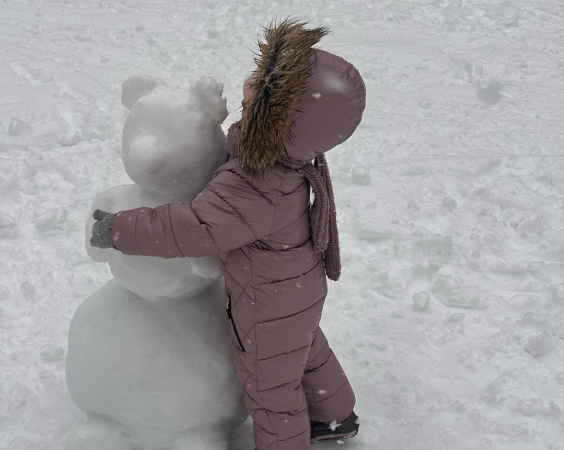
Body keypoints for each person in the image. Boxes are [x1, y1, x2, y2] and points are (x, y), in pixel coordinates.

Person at [90, 19, 366, 450]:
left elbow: (195, 228)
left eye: (265, 86)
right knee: (305, 350)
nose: (252, 79)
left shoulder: (255, 180)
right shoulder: (290, 158)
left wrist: (120, 228)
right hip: (296, 288)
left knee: (271, 386)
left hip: (266, 300)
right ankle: (336, 415)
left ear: (280, 120)